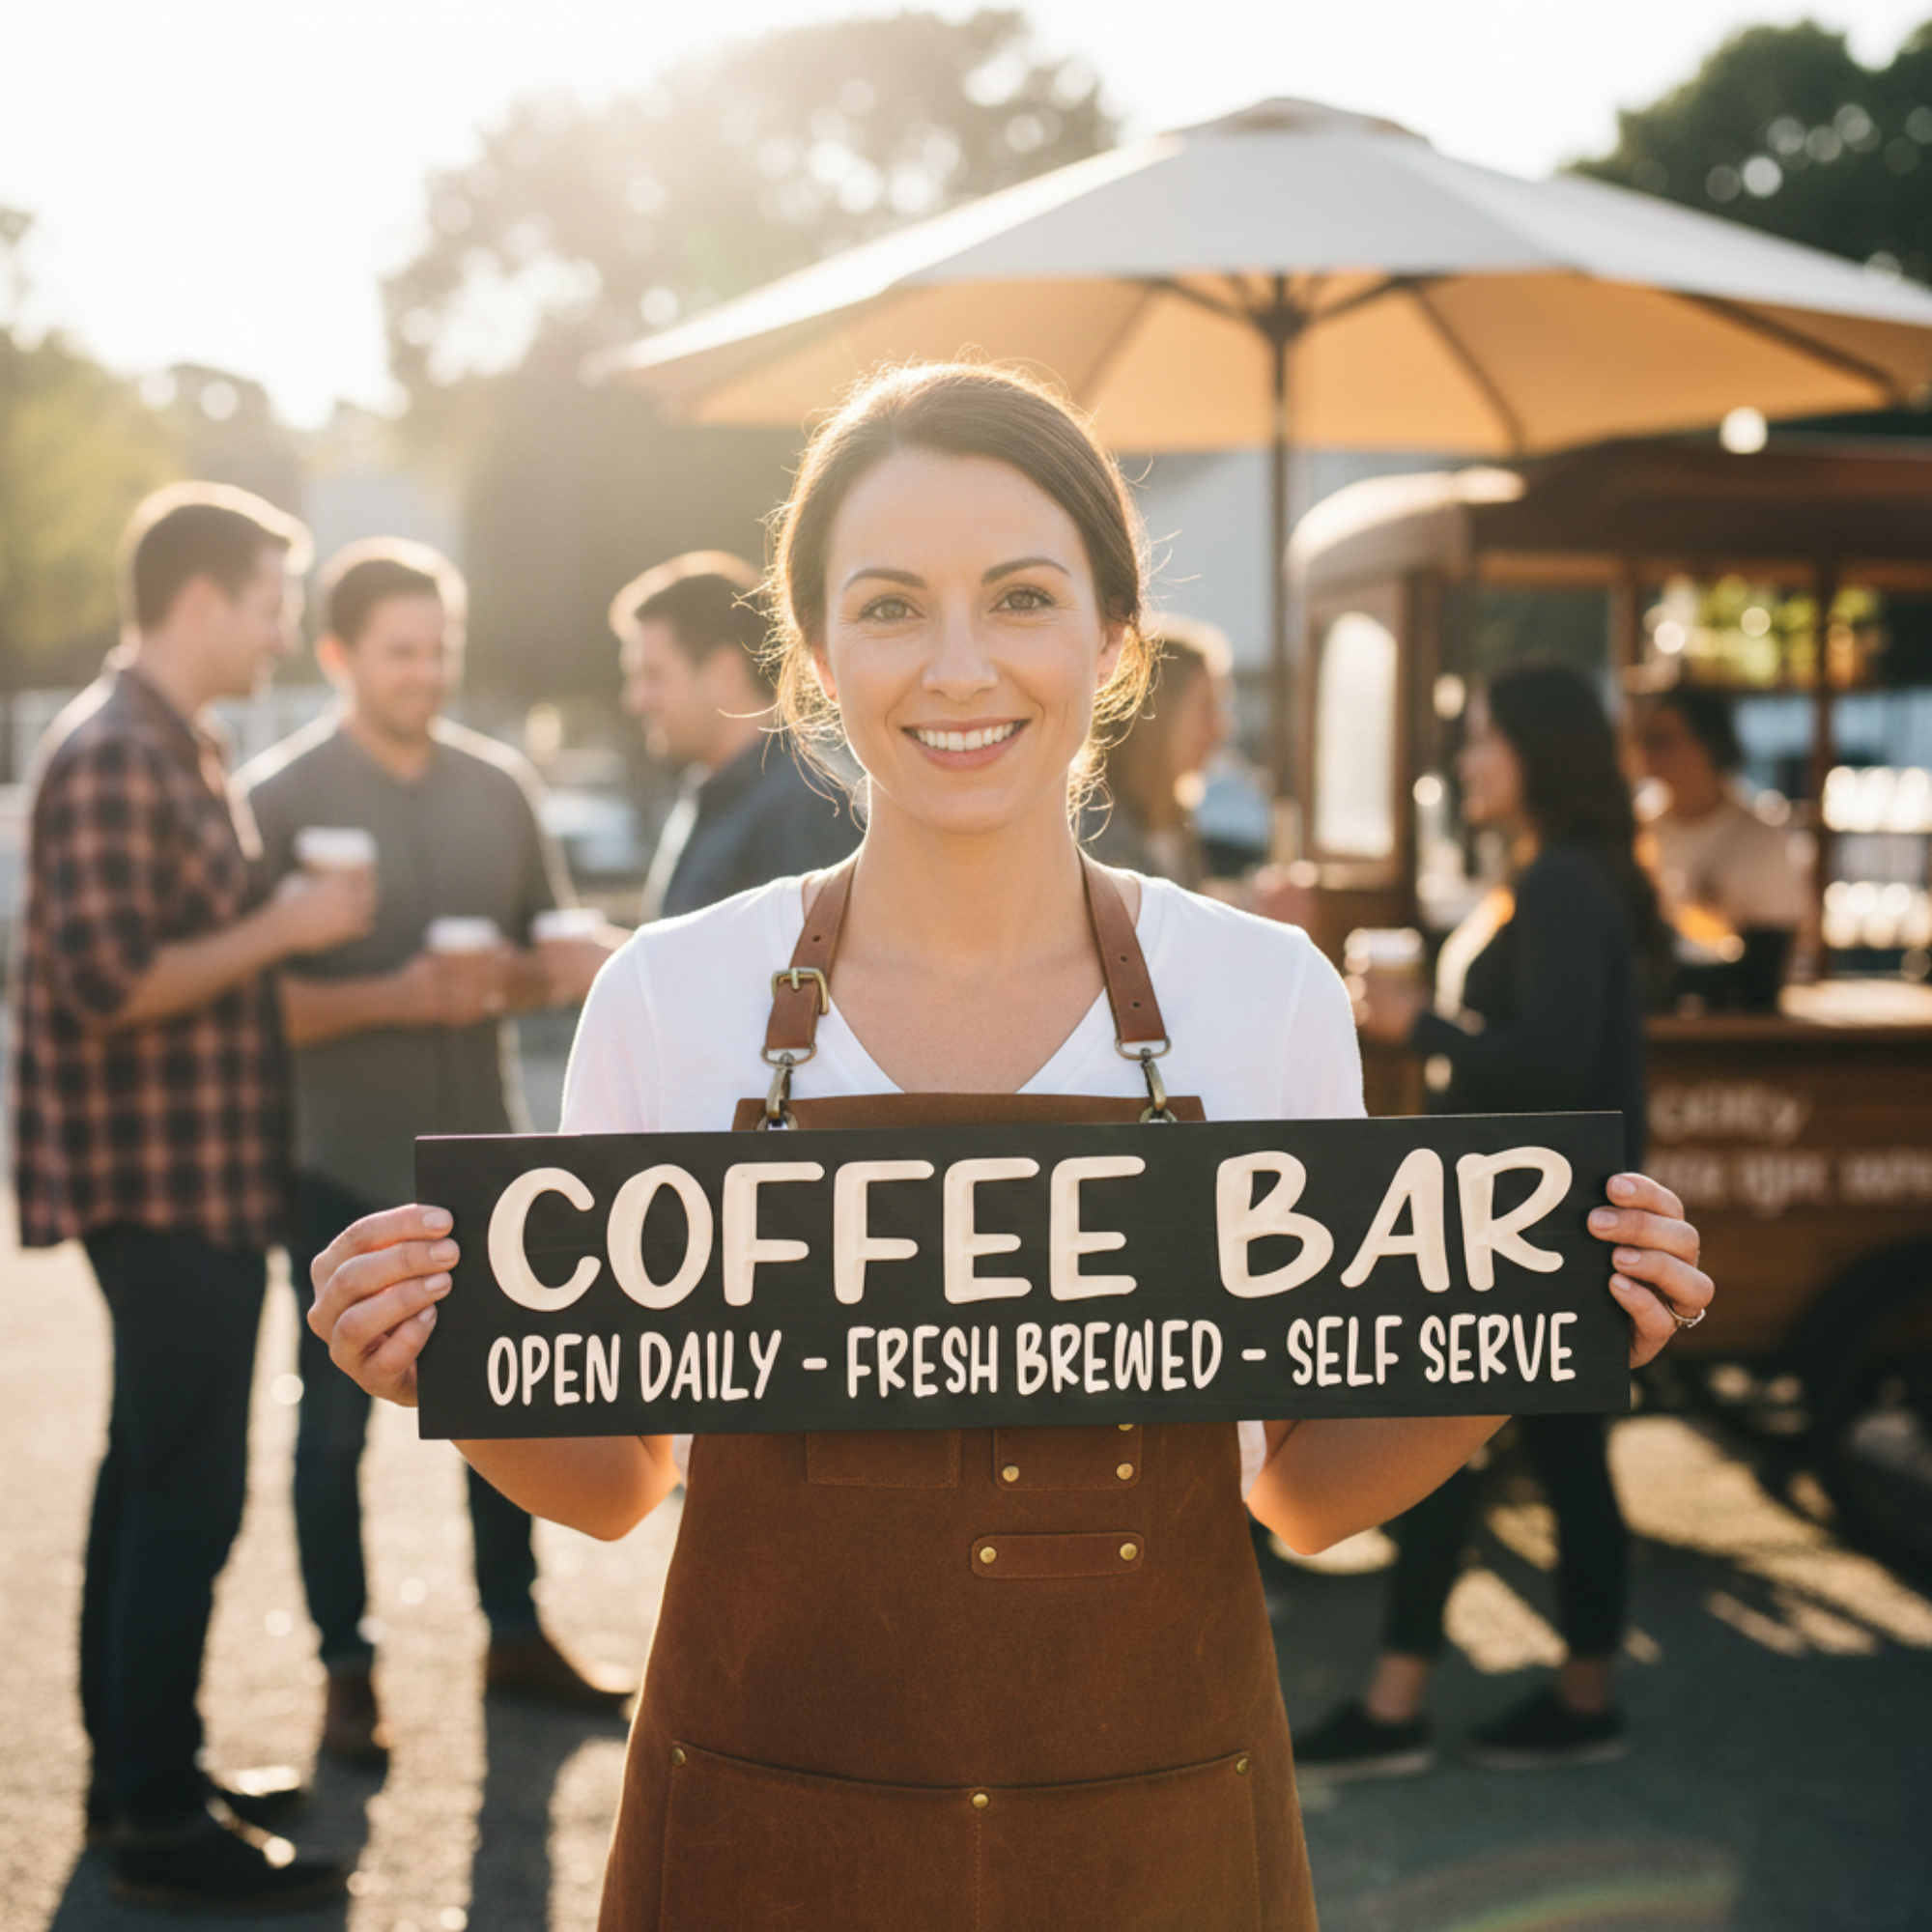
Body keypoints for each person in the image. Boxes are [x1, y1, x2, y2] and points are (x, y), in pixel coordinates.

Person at [307, 367, 1712, 1930]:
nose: (957, 666)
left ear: (1113, 643)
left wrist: (1520, 1337)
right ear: (819, 658)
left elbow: (1302, 1497)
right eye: (893, 606)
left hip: (1159, 1841)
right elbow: (622, 1481)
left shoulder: (1266, 1001)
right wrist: (433, 1364)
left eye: (1022, 597)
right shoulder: (671, 998)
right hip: (762, 1836)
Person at [9, 484, 368, 1910]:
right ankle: (153, 1812)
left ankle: (140, 1770)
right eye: (276, 600)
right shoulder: (112, 754)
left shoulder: (173, 745)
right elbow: (102, 985)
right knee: (186, 1495)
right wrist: (286, 927)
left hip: (196, 1179)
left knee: (146, 1483)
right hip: (159, 1186)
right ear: (204, 597)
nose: (285, 627)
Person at [242, 539, 631, 1764]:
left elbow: (544, 956)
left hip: (481, 1161)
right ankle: (346, 1670)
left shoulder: (499, 785)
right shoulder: (277, 799)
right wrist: (400, 993)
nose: (428, 672)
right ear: (340, 654)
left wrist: (505, 979)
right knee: (330, 1427)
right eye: (403, 651)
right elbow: (253, 1010)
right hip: (331, 1155)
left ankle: (513, 1633)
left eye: (441, 648)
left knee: (498, 1394)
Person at [1301, 661, 1671, 1780]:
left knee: (1448, 1452)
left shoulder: (1558, 883)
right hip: (1546, 1221)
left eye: (1481, 738)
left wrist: (1421, 1024)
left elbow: (1550, 1063)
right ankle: (1565, 1695)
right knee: (1553, 1458)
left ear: (1537, 752)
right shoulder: (1568, 874)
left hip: (1531, 1226)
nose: (1461, 761)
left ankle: (1403, 1703)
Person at [613, 551, 860, 919]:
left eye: (653, 676)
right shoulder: (718, 790)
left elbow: (804, 969)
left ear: (724, 673)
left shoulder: (807, 805)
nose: (634, 701)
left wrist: (616, 965)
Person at [1639, 684, 1804, 1009]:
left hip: (1733, 1022)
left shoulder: (1760, 834)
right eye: (1647, 740)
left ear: (1709, 744)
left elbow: (1766, 965)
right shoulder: (1636, 827)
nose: (1649, 754)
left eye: (1664, 741)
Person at [1080, 615, 1232, 889]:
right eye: (1207, 708)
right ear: (1159, 717)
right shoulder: (1090, 828)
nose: (1223, 728)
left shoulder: (1176, 818)